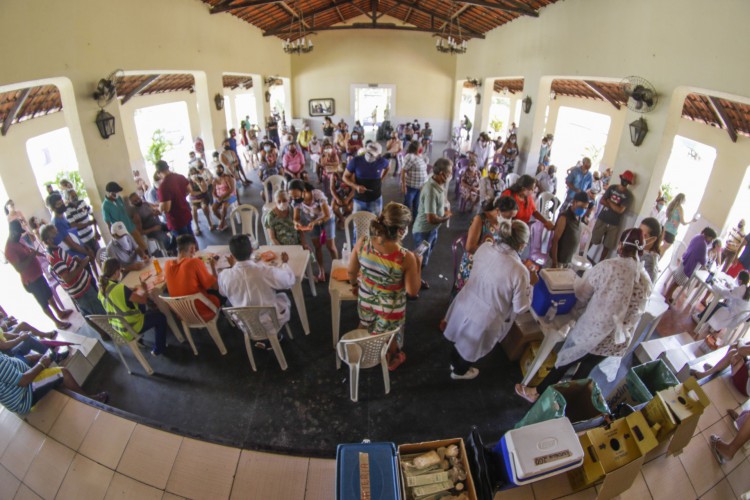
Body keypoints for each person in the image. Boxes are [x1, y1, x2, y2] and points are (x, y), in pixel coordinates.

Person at [516, 228, 653, 402]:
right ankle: (562, 402)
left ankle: (537, 393)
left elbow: (582, 293)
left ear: (620, 245)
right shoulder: (645, 279)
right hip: (614, 342)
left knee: (566, 361)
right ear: (641, 250)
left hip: (593, 331)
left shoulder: (609, 267)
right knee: (584, 371)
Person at [444, 219, 534, 380]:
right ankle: (459, 372)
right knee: (470, 349)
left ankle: (453, 362)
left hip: (465, 302)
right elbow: (521, 308)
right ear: (521, 245)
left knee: (460, 336)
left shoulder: (485, 248)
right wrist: (530, 285)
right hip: (485, 318)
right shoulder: (520, 271)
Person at [348, 202, 422, 371]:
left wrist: (355, 285)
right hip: (390, 309)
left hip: (365, 300)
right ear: (401, 230)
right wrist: (418, 264)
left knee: (365, 323)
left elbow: (351, 271)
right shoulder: (406, 257)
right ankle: (392, 358)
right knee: (389, 334)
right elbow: (412, 291)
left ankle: (363, 349)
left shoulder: (363, 242)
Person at [218, 235, 295, 346]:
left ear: (232, 255)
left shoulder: (224, 275)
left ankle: (260, 339)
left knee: (232, 301)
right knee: (281, 296)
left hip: (246, 324)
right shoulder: (264, 271)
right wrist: (285, 264)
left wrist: (232, 268)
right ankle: (273, 337)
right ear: (252, 250)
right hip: (270, 321)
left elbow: (223, 293)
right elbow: (289, 281)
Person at [5, 220, 72, 329]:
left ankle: (59, 313)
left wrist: (41, 254)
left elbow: (29, 249)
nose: (20, 235)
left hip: (38, 274)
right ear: (13, 232)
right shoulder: (9, 249)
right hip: (31, 281)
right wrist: (32, 256)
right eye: (19, 233)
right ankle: (57, 322)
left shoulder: (18, 240)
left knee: (49, 294)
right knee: (43, 302)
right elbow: (19, 268)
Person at [0, 351, 108, 414]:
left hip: (22, 389)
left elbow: (9, 368)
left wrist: (27, 358)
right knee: (63, 373)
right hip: (24, 396)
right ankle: (91, 402)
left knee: (53, 375)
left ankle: (76, 399)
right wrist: (41, 364)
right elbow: (22, 381)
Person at [98, 258, 168, 356]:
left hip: (117, 327)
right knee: (161, 317)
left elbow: (117, 302)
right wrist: (144, 288)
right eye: (120, 270)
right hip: (131, 326)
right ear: (116, 272)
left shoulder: (102, 290)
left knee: (143, 308)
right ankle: (159, 349)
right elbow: (143, 300)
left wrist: (131, 293)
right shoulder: (119, 288)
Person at [453, 196, 518, 295]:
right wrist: (493, 253)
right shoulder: (480, 220)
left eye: (512, 217)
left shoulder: (500, 223)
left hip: (489, 263)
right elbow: (469, 247)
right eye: (508, 217)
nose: (510, 220)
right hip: (473, 265)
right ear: (497, 210)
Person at [40, 224, 105, 316]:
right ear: (48, 240)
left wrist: (73, 260)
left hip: (83, 287)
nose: (58, 235)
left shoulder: (56, 249)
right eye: (55, 234)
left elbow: (64, 266)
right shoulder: (54, 256)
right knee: (100, 314)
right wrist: (83, 263)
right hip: (82, 292)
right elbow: (67, 278)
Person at [412, 158, 453, 287]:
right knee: (420, 259)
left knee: (422, 256)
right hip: (423, 232)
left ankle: (415, 278)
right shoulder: (431, 190)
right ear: (442, 174)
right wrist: (445, 218)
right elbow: (431, 218)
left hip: (431, 231)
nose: (451, 175)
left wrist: (443, 209)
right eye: (449, 173)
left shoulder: (437, 183)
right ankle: (412, 282)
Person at [289, 180, 338, 282]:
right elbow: (296, 218)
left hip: (327, 219)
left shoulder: (317, 195)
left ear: (304, 191)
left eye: (297, 196)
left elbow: (326, 215)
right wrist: (296, 223)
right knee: (317, 246)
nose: (295, 199)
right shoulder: (295, 201)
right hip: (311, 220)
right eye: (292, 197)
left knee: (331, 247)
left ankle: (337, 269)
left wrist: (315, 223)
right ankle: (321, 270)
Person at [164, 234, 220, 321]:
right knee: (220, 292)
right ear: (192, 249)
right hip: (200, 311)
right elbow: (215, 286)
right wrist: (213, 267)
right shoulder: (194, 262)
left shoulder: (167, 264)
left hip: (182, 313)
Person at [664, 227, 717, 304]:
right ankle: (667, 296)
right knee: (677, 282)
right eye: (711, 239)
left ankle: (669, 295)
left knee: (677, 281)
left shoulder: (698, 236)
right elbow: (703, 260)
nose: (711, 241)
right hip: (689, 264)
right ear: (708, 236)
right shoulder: (703, 244)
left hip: (685, 260)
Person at [590, 170, 635, 260]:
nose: (624, 181)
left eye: (627, 180)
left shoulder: (628, 195)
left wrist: (609, 201)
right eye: (624, 178)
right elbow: (602, 201)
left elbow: (620, 210)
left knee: (607, 246)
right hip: (603, 218)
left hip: (614, 223)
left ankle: (600, 263)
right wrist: (614, 206)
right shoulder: (612, 188)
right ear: (621, 178)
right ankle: (583, 255)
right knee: (593, 239)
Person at [343, 142, 390, 215]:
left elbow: (388, 167)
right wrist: (356, 186)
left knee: (376, 220)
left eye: (372, 154)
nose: (369, 155)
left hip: (375, 199)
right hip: (359, 200)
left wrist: (381, 178)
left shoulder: (382, 161)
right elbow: (344, 177)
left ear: (378, 155)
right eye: (368, 152)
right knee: (358, 221)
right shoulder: (355, 161)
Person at [47, 193, 96, 260]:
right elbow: (72, 244)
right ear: (53, 208)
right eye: (59, 204)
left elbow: (73, 235)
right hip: (75, 257)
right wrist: (87, 253)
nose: (62, 205)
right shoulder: (57, 223)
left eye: (62, 202)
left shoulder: (62, 216)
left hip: (80, 251)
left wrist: (86, 248)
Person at [102, 182, 148, 252]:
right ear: (109, 193)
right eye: (115, 192)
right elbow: (108, 223)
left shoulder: (119, 199)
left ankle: (148, 256)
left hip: (130, 226)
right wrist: (114, 235)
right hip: (121, 232)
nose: (117, 194)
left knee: (143, 246)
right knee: (133, 250)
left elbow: (124, 212)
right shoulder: (105, 206)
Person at [550, 192, 590, 268]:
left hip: (567, 260)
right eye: (581, 207)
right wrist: (554, 263)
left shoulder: (578, 217)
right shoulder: (564, 218)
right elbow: (555, 241)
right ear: (574, 202)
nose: (583, 210)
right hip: (558, 260)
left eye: (585, 208)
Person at [156, 160, 194, 238]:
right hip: (186, 213)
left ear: (158, 172)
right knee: (191, 238)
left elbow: (166, 208)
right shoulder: (180, 177)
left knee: (184, 243)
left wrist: (159, 208)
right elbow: (190, 189)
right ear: (168, 168)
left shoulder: (163, 186)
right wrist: (180, 196)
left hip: (176, 220)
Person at [63, 189, 99, 254]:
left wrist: (96, 231)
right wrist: (88, 224)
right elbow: (73, 225)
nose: (75, 197)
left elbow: (93, 215)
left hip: (92, 235)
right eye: (73, 197)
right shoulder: (67, 210)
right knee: (91, 256)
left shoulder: (82, 203)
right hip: (83, 241)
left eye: (76, 195)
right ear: (68, 199)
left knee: (100, 254)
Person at [400, 141, 428, 219]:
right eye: (420, 147)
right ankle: (404, 219)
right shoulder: (409, 156)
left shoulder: (419, 155)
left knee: (417, 205)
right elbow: (403, 170)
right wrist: (403, 185)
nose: (422, 148)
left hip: (420, 187)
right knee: (407, 205)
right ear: (416, 148)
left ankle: (415, 220)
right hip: (411, 186)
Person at [187, 166, 214, 236]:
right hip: (194, 200)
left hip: (203, 198)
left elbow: (204, 190)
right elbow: (191, 193)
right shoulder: (188, 182)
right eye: (192, 174)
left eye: (195, 174)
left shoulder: (201, 179)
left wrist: (198, 182)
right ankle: (196, 226)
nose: (193, 176)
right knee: (193, 209)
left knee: (204, 207)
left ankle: (209, 222)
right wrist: (200, 192)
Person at [212, 164, 237, 232]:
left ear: (223, 170)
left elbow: (231, 189)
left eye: (220, 170)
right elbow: (213, 192)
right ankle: (223, 220)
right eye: (217, 170)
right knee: (213, 208)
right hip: (220, 197)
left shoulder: (227, 177)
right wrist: (217, 197)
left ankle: (222, 222)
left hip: (230, 196)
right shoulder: (214, 180)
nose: (218, 171)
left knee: (224, 206)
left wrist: (222, 197)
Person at [639, 217, 663, 283]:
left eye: (644, 235)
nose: (638, 237)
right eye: (638, 232)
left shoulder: (648, 260)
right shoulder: (641, 251)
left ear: (653, 239)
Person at [330, 164, 354, 229]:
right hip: (338, 195)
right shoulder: (334, 175)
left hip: (348, 195)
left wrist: (348, 198)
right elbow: (332, 189)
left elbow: (354, 189)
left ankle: (342, 217)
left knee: (350, 208)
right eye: (341, 173)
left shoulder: (351, 175)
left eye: (344, 173)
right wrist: (337, 198)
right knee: (334, 207)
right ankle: (343, 219)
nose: (342, 175)